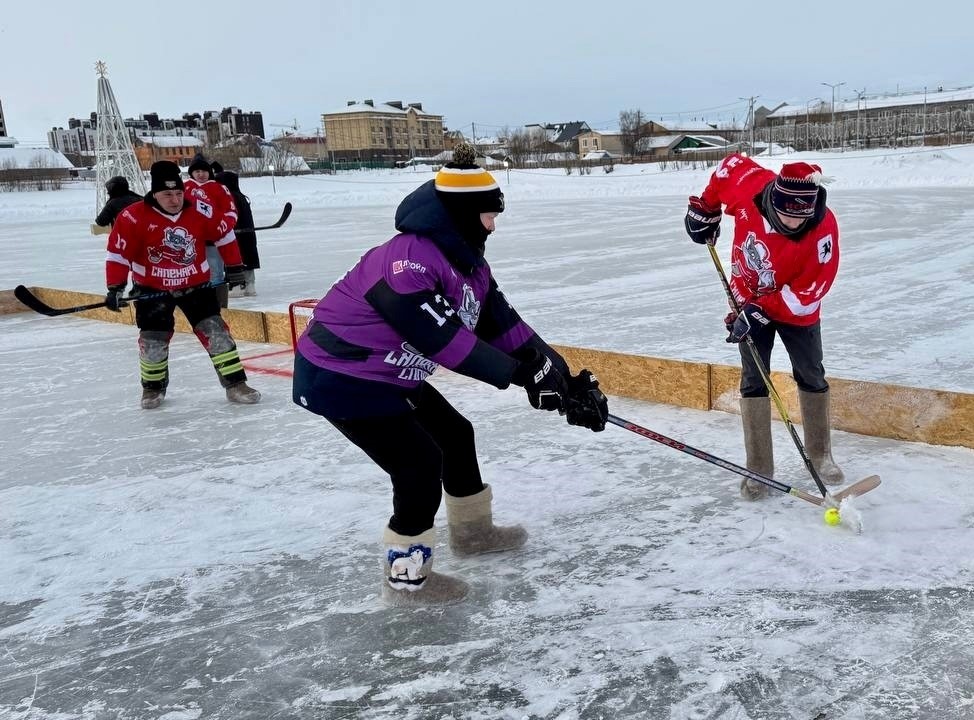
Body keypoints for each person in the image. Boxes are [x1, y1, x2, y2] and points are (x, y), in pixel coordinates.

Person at [291, 144, 609, 606]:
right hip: (341, 376)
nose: (493, 225)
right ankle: (406, 583)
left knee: (455, 435)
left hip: (390, 372)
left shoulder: (468, 264)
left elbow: (507, 328)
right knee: (418, 465)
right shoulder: (405, 263)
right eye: (487, 215)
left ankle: (473, 535)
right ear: (460, 214)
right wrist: (525, 379)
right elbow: (447, 343)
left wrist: (561, 377)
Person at [684, 154, 844, 500]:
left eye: (800, 216)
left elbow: (814, 287)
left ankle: (819, 454)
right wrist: (705, 209)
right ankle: (759, 468)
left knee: (811, 373)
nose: (792, 221)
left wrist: (763, 309)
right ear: (773, 197)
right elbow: (727, 167)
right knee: (754, 379)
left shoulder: (823, 229)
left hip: (796, 311)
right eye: (785, 212)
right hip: (748, 296)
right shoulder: (750, 184)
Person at [105, 160, 260, 409]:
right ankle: (152, 389)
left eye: (178, 193)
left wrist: (234, 268)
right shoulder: (132, 216)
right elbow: (118, 255)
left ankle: (236, 384)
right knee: (153, 341)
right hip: (152, 289)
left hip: (196, 286)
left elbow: (225, 233)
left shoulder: (200, 208)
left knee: (217, 333)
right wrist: (115, 287)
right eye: (167, 194)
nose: (175, 200)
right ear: (154, 193)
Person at [184, 153, 239, 308]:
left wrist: (224, 227)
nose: (200, 174)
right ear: (192, 173)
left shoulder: (219, 188)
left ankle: (218, 306)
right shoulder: (184, 188)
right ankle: (197, 305)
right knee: (193, 272)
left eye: (204, 171)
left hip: (214, 241)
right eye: (197, 172)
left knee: (215, 272)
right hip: (191, 242)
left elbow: (230, 211)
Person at [215, 170, 260, 297]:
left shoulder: (230, 198)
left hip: (237, 236)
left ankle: (237, 285)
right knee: (248, 258)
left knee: (236, 259)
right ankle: (250, 285)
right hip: (248, 235)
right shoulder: (241, 196)